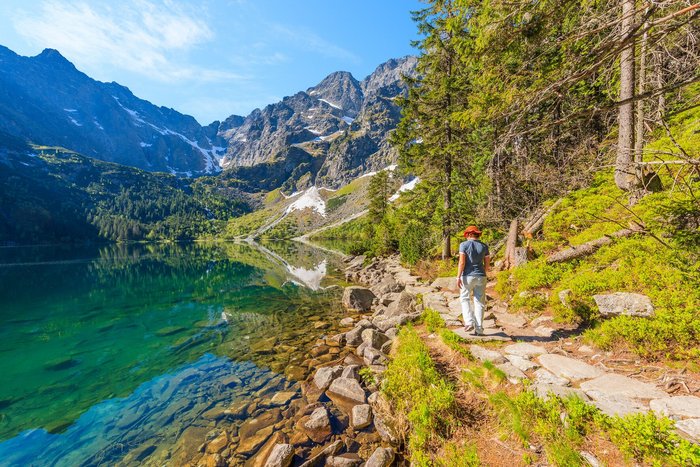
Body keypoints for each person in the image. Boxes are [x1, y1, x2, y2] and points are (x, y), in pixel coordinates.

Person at [456, 225, 490, 335]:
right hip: (481, 276)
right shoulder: (484, 246)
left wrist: (458, 276)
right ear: (477, 234)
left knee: (465, 298)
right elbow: (487, 263)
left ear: (468, 234)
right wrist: (483, 272)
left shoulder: (463, 245)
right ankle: (479, 329)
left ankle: (469, 323)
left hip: (467, 276)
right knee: (479, 302)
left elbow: (462, 262)